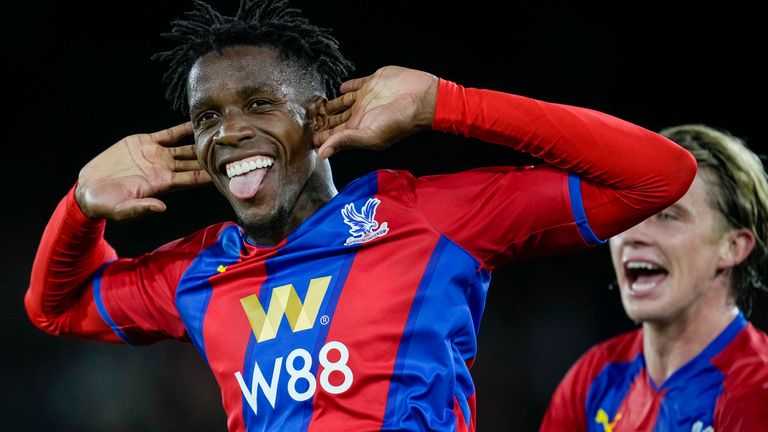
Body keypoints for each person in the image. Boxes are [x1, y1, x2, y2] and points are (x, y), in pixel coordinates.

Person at [24, 0, 696, 430]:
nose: (228, 133)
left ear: (320, 116)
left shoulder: (430, 218)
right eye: (208, 117)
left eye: (259, 104)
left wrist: (450, 103)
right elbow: (56, 308)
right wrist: (80, 205)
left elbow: (656, 176)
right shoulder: (197, 271)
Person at [540, 124, 768, 431]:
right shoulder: (593, 378)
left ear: (732, 247)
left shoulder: (757, 392)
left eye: (668, 216)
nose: (631, 234)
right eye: (627, 212)